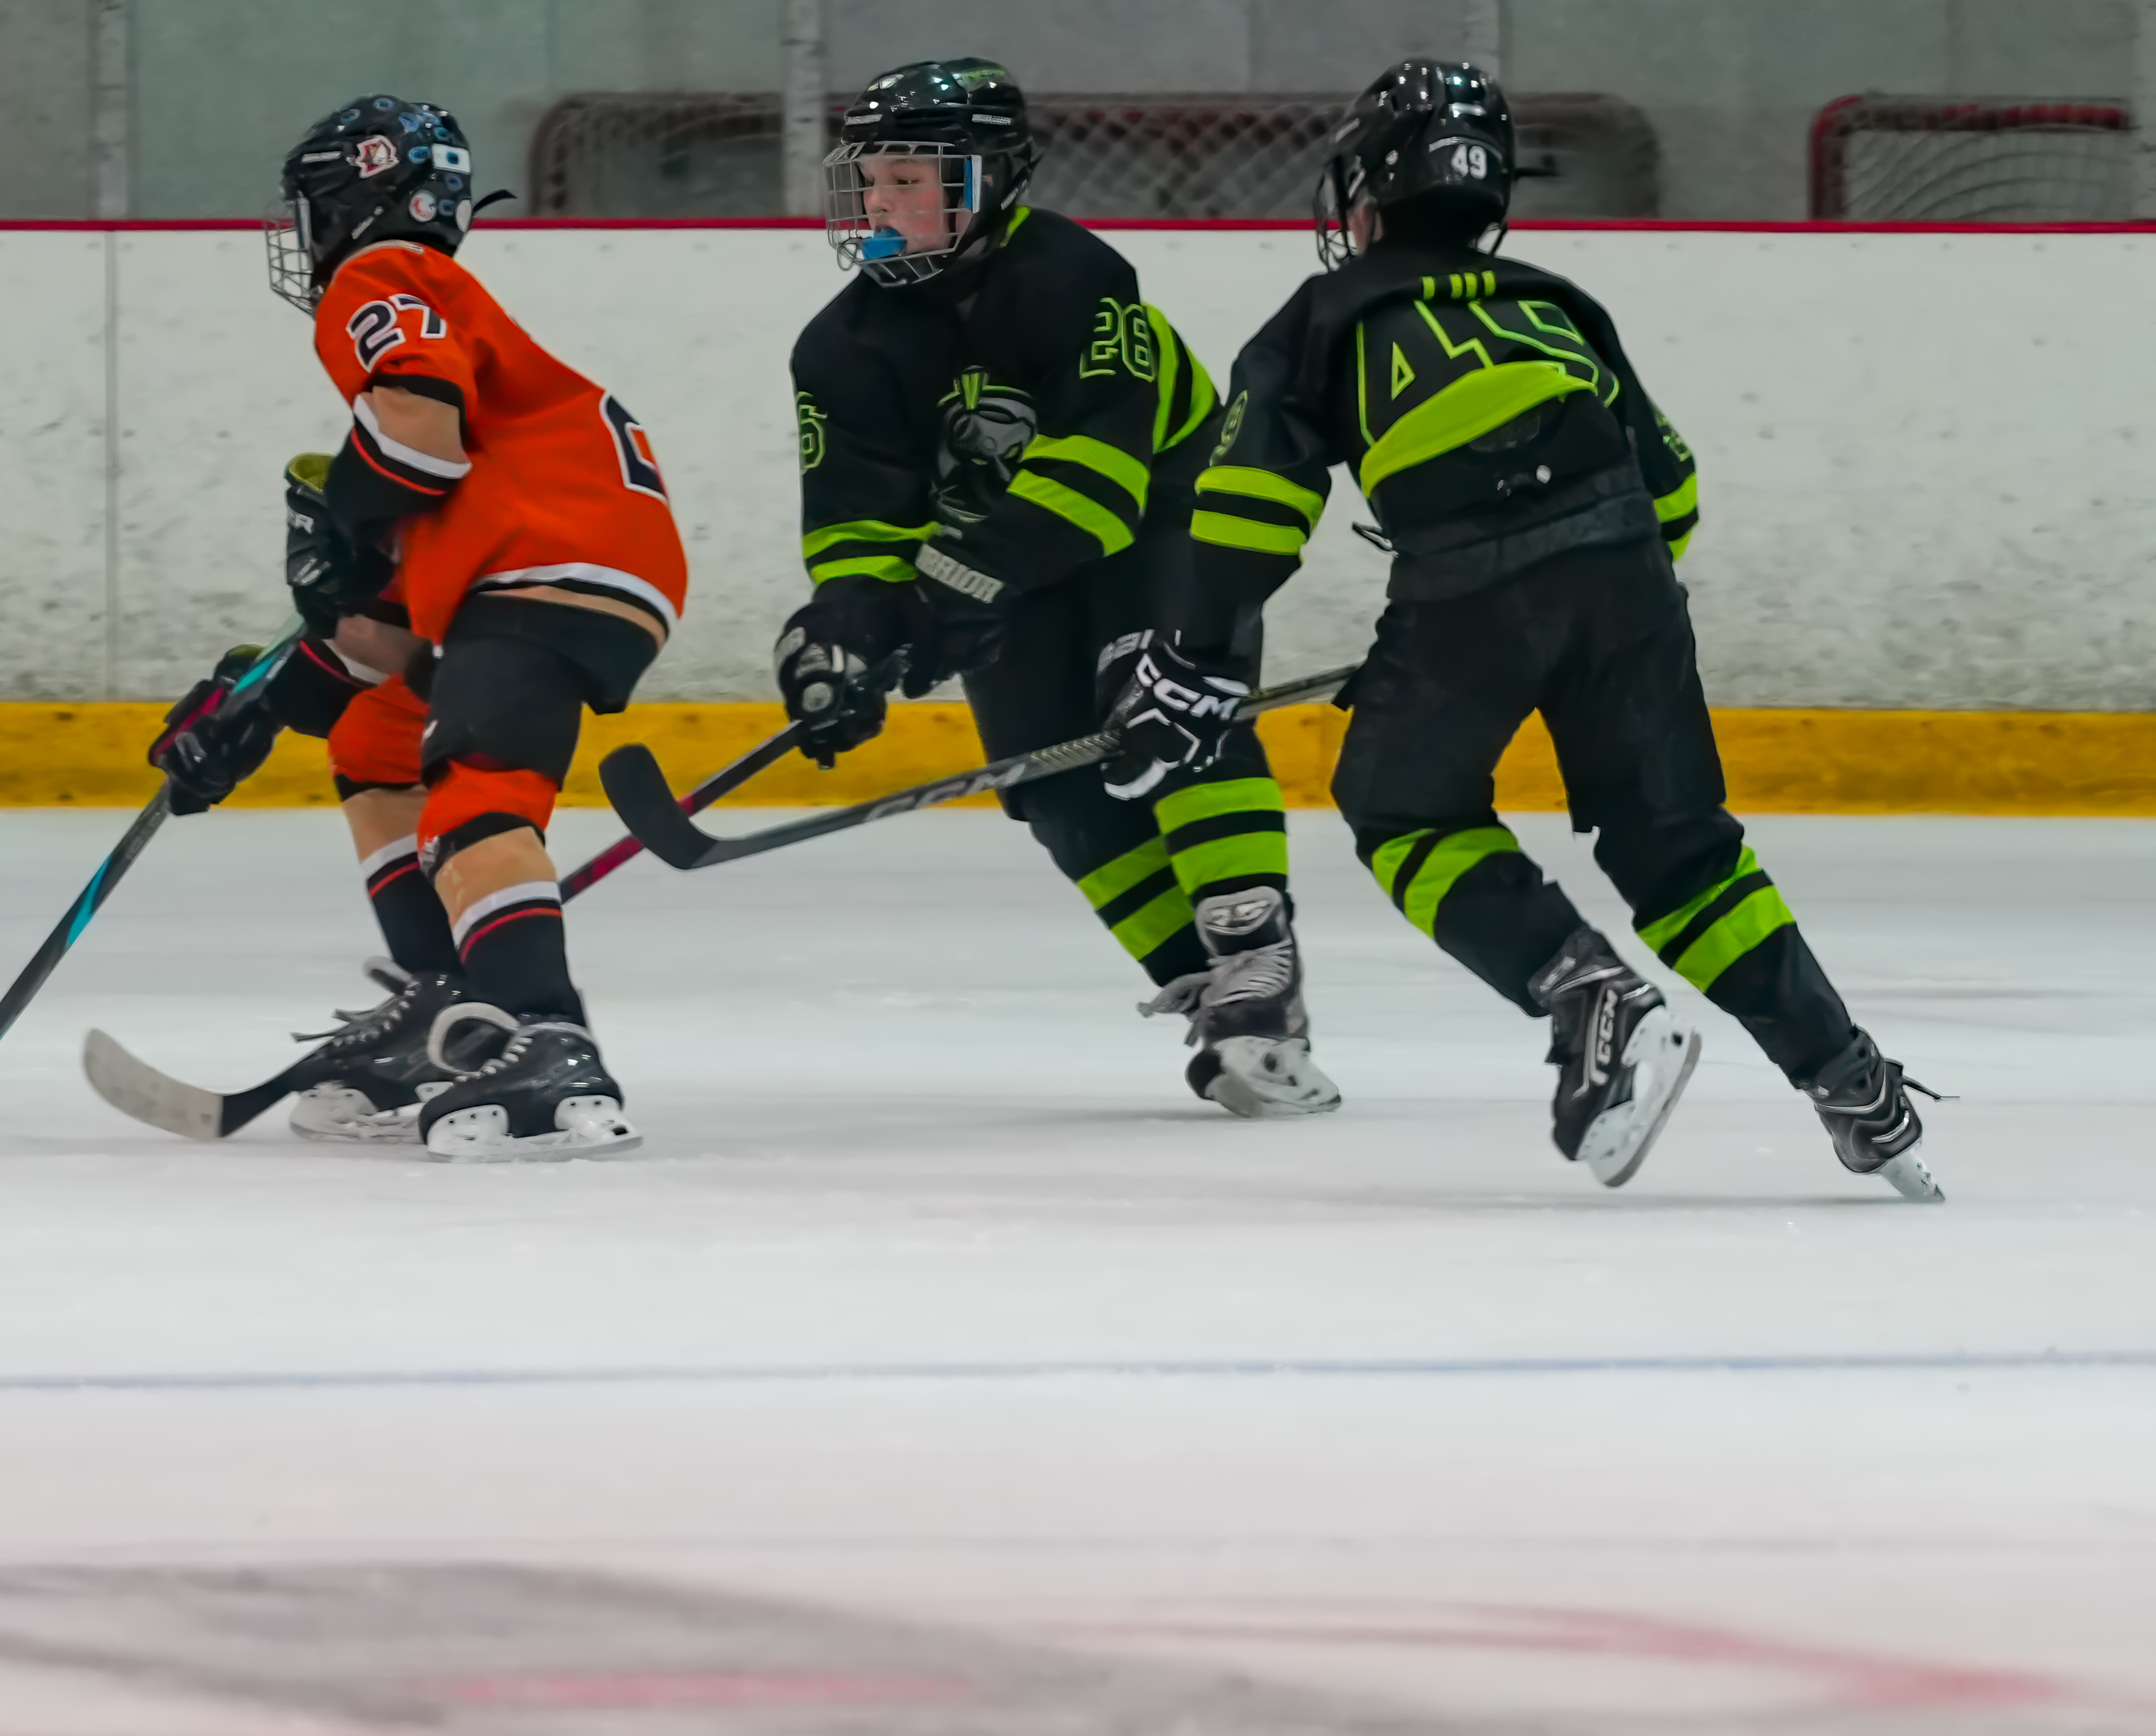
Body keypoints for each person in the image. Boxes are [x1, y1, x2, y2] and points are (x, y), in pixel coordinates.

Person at [1107, 57, 1938, 1195]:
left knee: (1402, 810)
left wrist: (1194, 660)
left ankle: (1584, 990)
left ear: (1372, 189)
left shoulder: (1321, 314)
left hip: (1470, 585)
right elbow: (1674, 493)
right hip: (1629, 578)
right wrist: (1580, 601)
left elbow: (1250, 511)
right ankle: (1847, 1073)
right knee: (1681, 853)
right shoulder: (1557, 305)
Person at [776, 58, 1337, 1117]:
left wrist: (946, 594)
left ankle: (1254, 950)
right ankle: (1205, 983)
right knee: (1047, 777)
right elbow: (858, 524)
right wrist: (846, 631)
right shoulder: (840, 347)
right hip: (1007, 547)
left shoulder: (1074, 276)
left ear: (988, 179)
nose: (881, 204)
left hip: (1165, 506)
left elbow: (1101, 483)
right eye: (871, 181)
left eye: (910, 179)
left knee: (1164, 696)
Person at [146, 95, 687, 1157]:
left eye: (316, 207)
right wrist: (253, 707)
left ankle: (547, 1038)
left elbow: (415, 448)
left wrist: (346, 515)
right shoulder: (454, 321)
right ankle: (449, 1008)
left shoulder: (380, 272)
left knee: (479, 790)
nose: (308, 235)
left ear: (366, 197)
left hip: (549, 561)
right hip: (562, 558)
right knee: (375, 739)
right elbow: (379, 640)